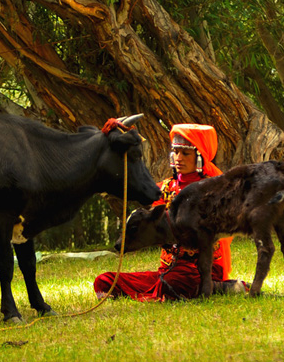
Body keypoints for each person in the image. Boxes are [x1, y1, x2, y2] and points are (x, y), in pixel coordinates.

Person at [93, 123, 247, 301]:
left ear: (199, 155)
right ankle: (175, 289)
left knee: (170, 284)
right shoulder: (166, 188)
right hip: (169, 270)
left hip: (202, 268)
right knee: (105, 280)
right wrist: (116, 143)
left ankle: (219, 286)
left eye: (185, 153)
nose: (178, 157)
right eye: (175, 152)